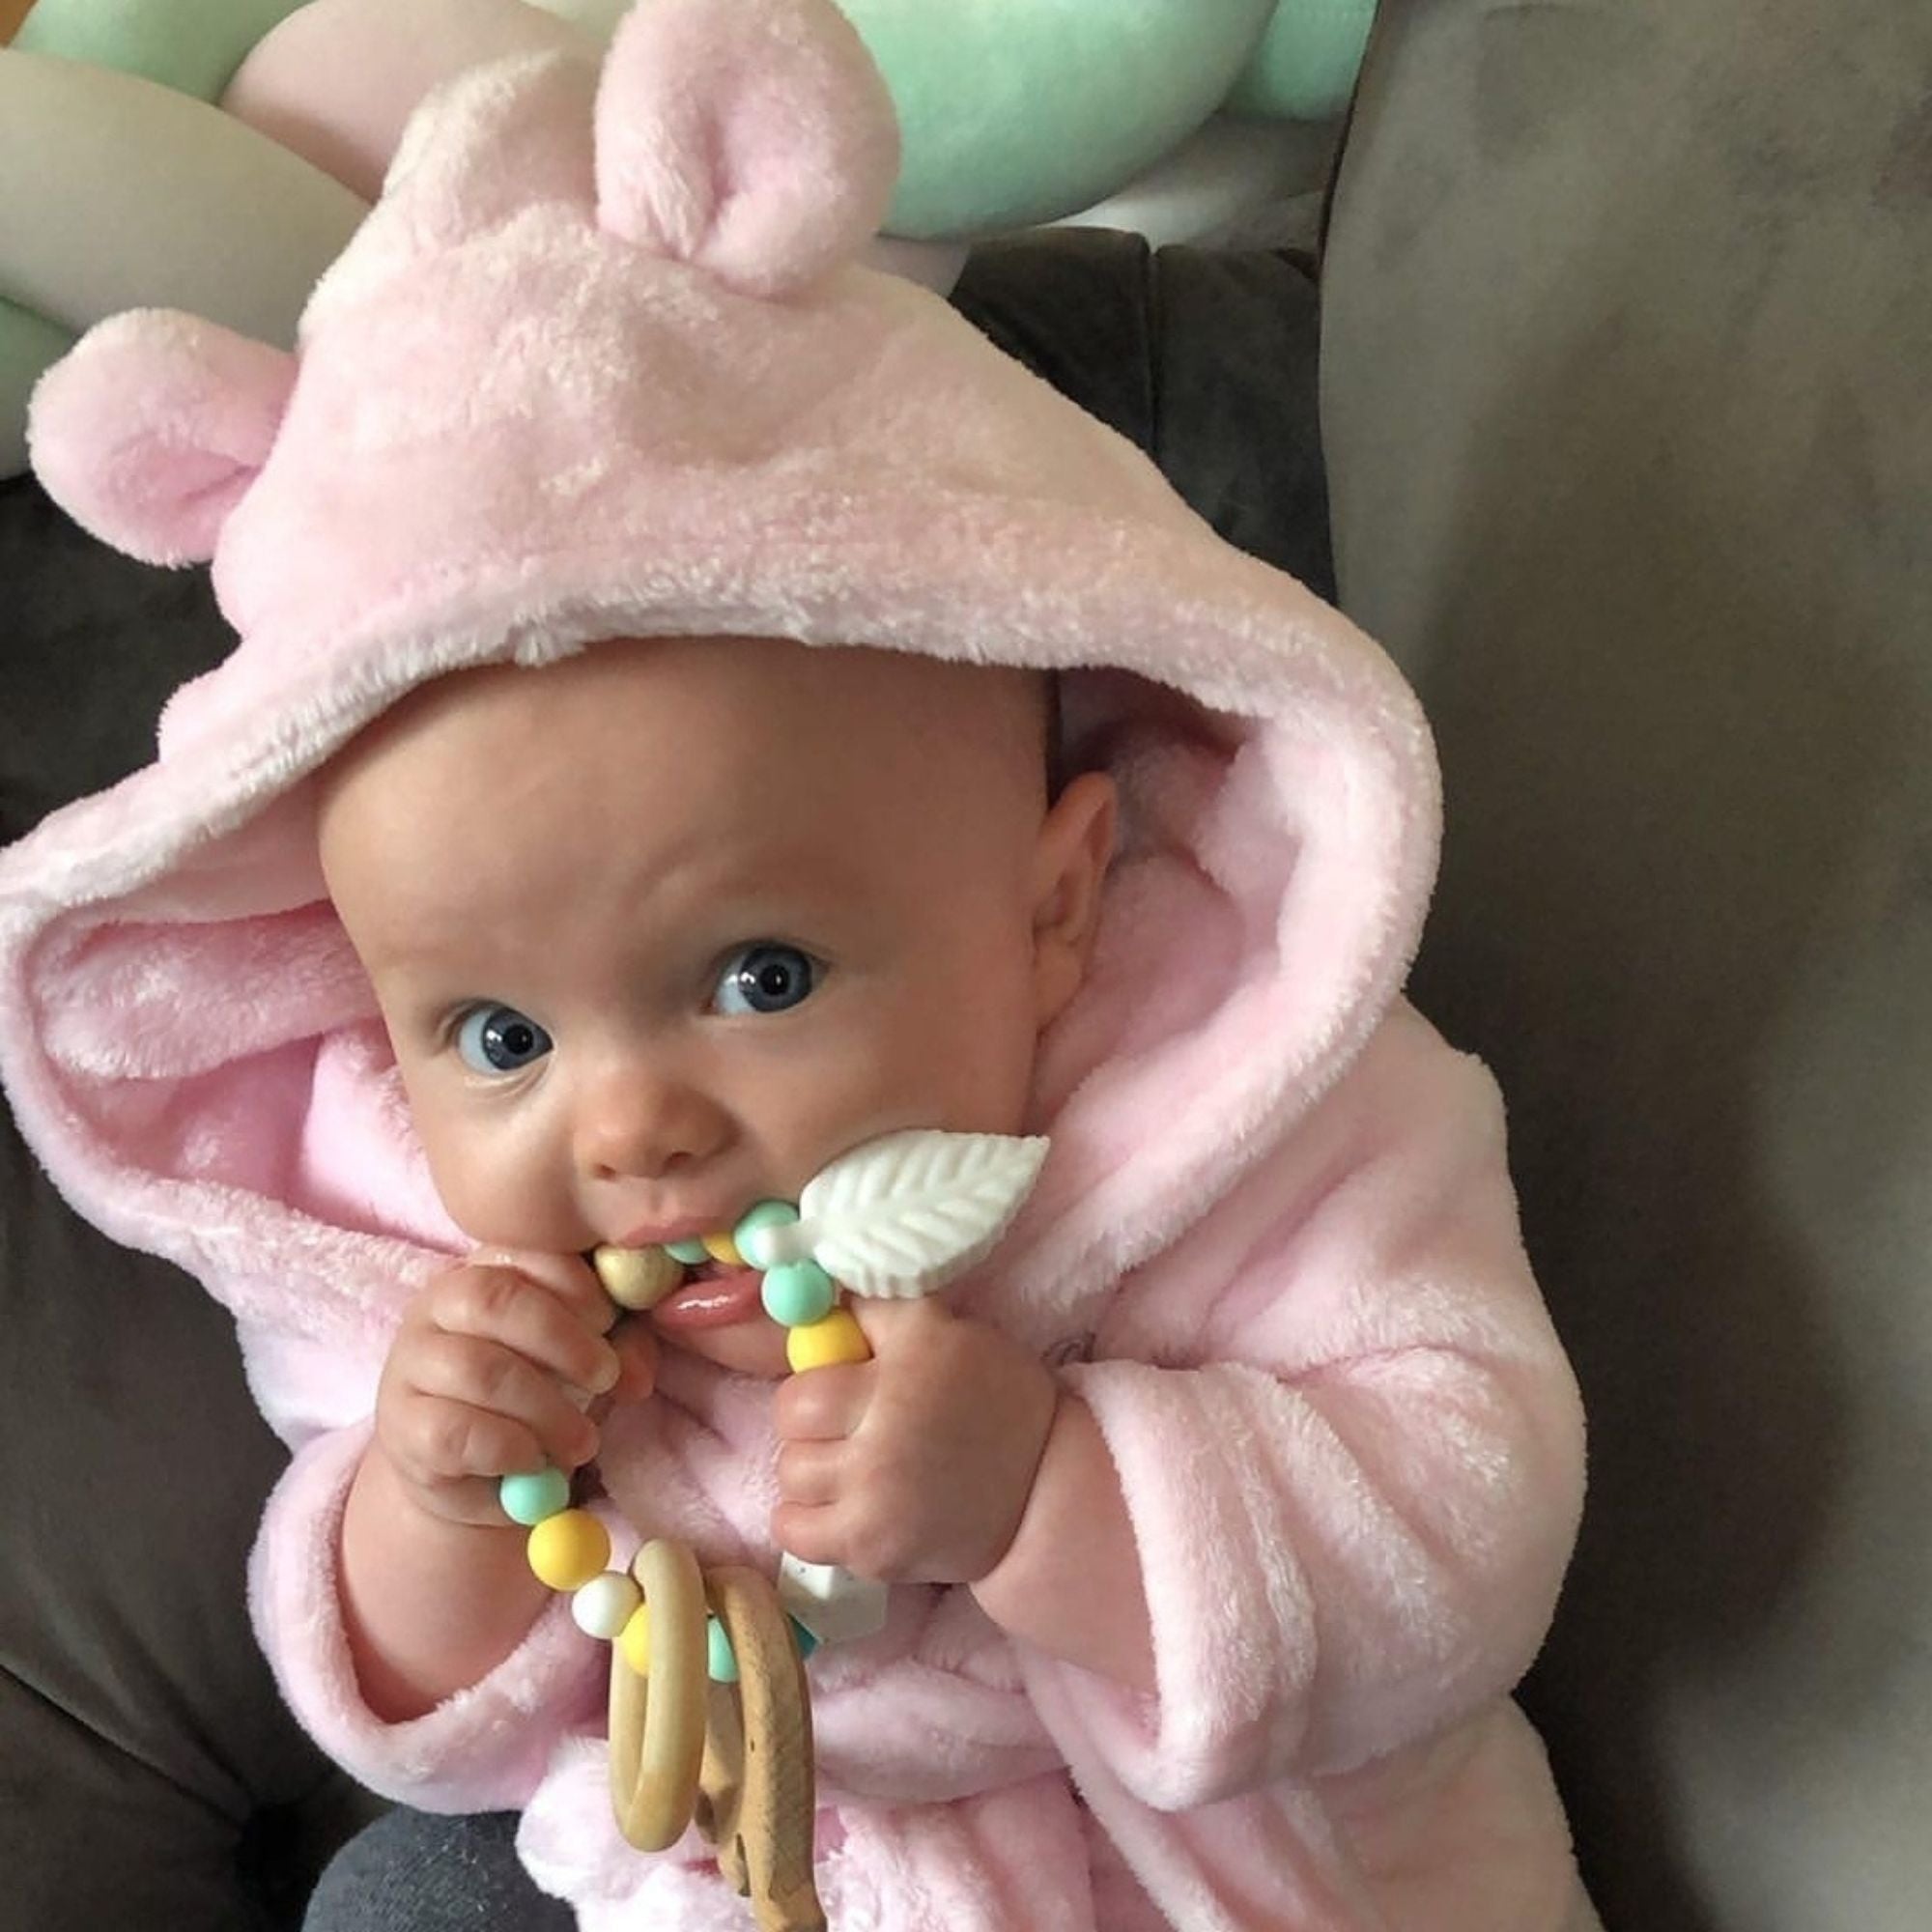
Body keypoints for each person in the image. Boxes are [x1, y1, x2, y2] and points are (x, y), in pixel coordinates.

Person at [0, 3, 1595, 1927]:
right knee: (401, 1897)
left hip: (1231, 1871)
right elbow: (427, 1713)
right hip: (732, 1865)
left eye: (757, 976)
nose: (630, 1122)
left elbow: (1466, 1505)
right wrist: (435, 1515)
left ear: (1055, 902)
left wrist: (1056, 1492)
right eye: (497, 1032)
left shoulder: (1232, 1080)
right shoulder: (410, 1224)